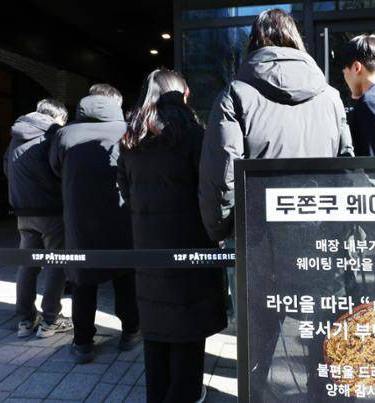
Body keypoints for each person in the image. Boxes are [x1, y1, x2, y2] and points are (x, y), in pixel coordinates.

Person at [199, 8, 354, 242]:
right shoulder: (331, 98)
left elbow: (222, 174)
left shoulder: (235, 95)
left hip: (257, 235)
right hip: (320, 232)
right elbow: (346, 166)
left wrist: (222, 230)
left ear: (253, 41)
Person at [118, 68, 226, 403]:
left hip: (147, 248)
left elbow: (125, 190)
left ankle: (158, 394)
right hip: (190, 246)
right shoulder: (193, 134)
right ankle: (185, 394)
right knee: (188, 330)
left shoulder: (131, 139)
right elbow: (210, 191)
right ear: (181, 95)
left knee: (156, 326)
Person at [50, 84, 140, 363]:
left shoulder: (65, 134)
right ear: (116, 103)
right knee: (125, 277)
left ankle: (83, 343)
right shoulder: (128, 131)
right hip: (121, 216)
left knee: (83, 281)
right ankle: (130, 332)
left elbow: (54, 167)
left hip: (80, 218)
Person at [4, 99, 74, 338]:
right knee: (56, 265)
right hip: (51, 210)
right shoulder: (52, 135)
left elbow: (7, 168)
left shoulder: (16, 135)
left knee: (28, 264)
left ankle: (25, 320)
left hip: (23, 210)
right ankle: (50, 320)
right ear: (58, 117)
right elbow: (61, 169)